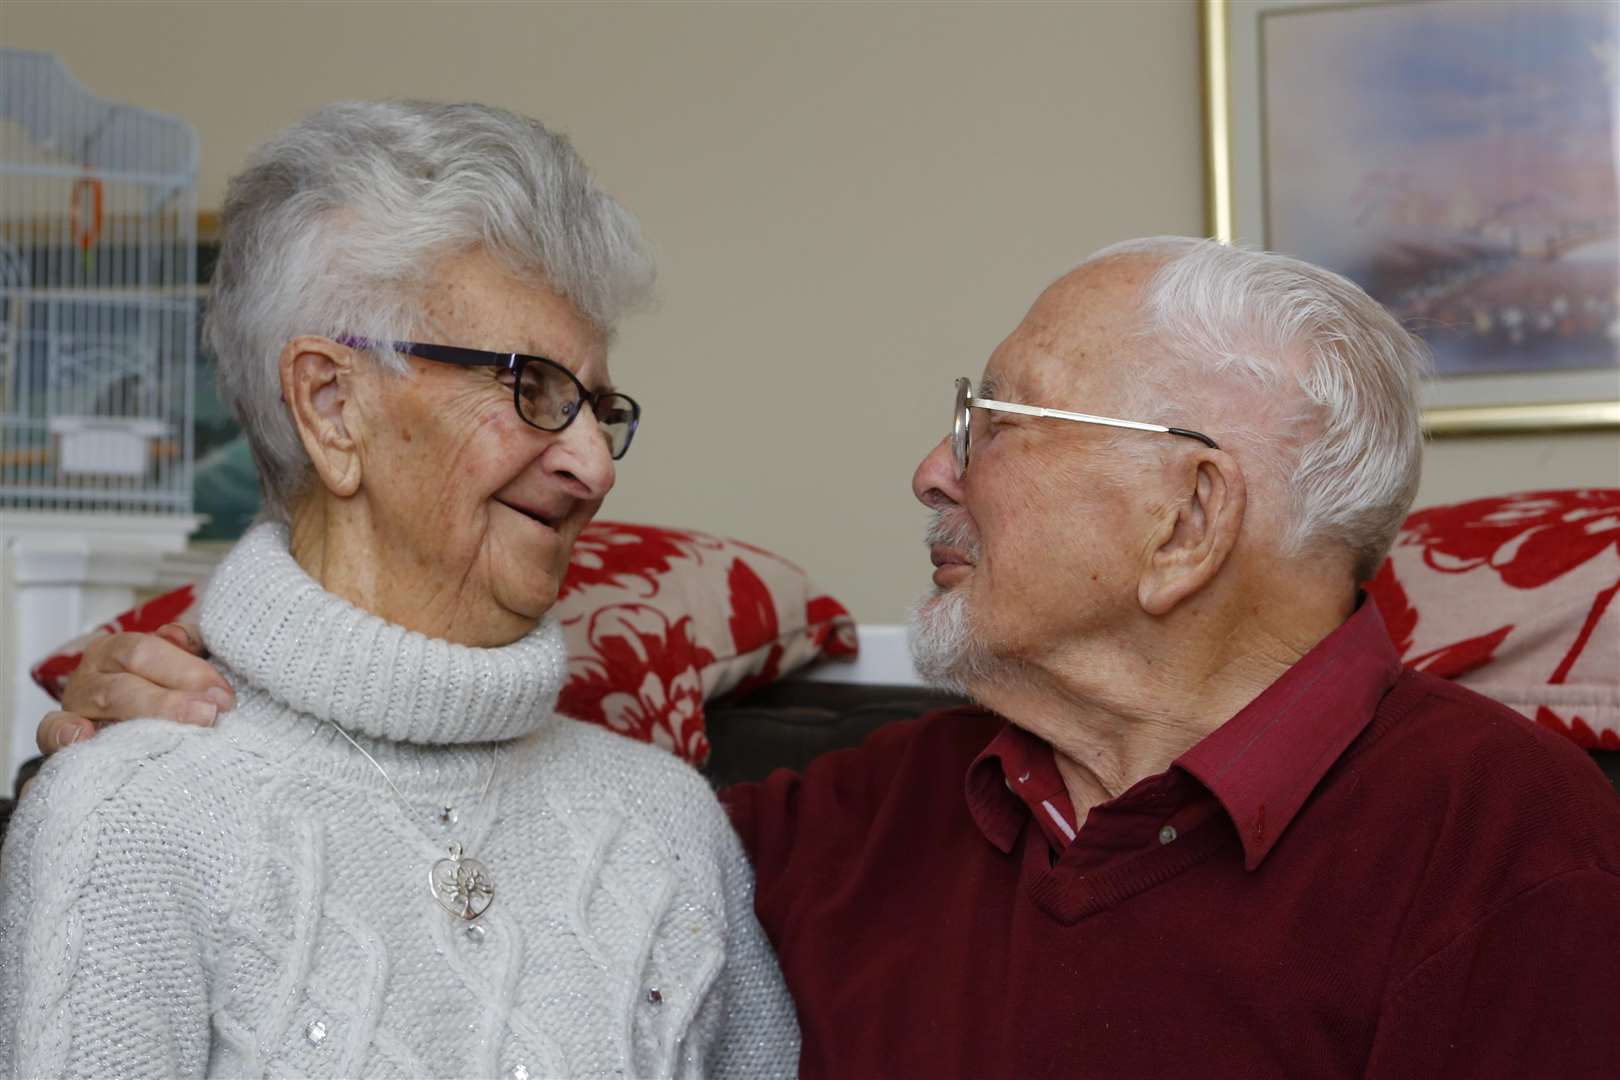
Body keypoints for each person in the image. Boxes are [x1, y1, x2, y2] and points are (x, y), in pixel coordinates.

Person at [24, 238, 1620, 1077]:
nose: (933, 471)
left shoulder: (1516, 862)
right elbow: (479, 860)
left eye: (990, 424)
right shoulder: (844, 830)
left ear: (1190, 518)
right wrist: (177, 737)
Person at [0, 100, 797, 1079]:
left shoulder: (669, 822)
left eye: (597, 406)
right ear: (331, 407)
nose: (594, 464)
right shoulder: (132, 820)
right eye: (533, 388)